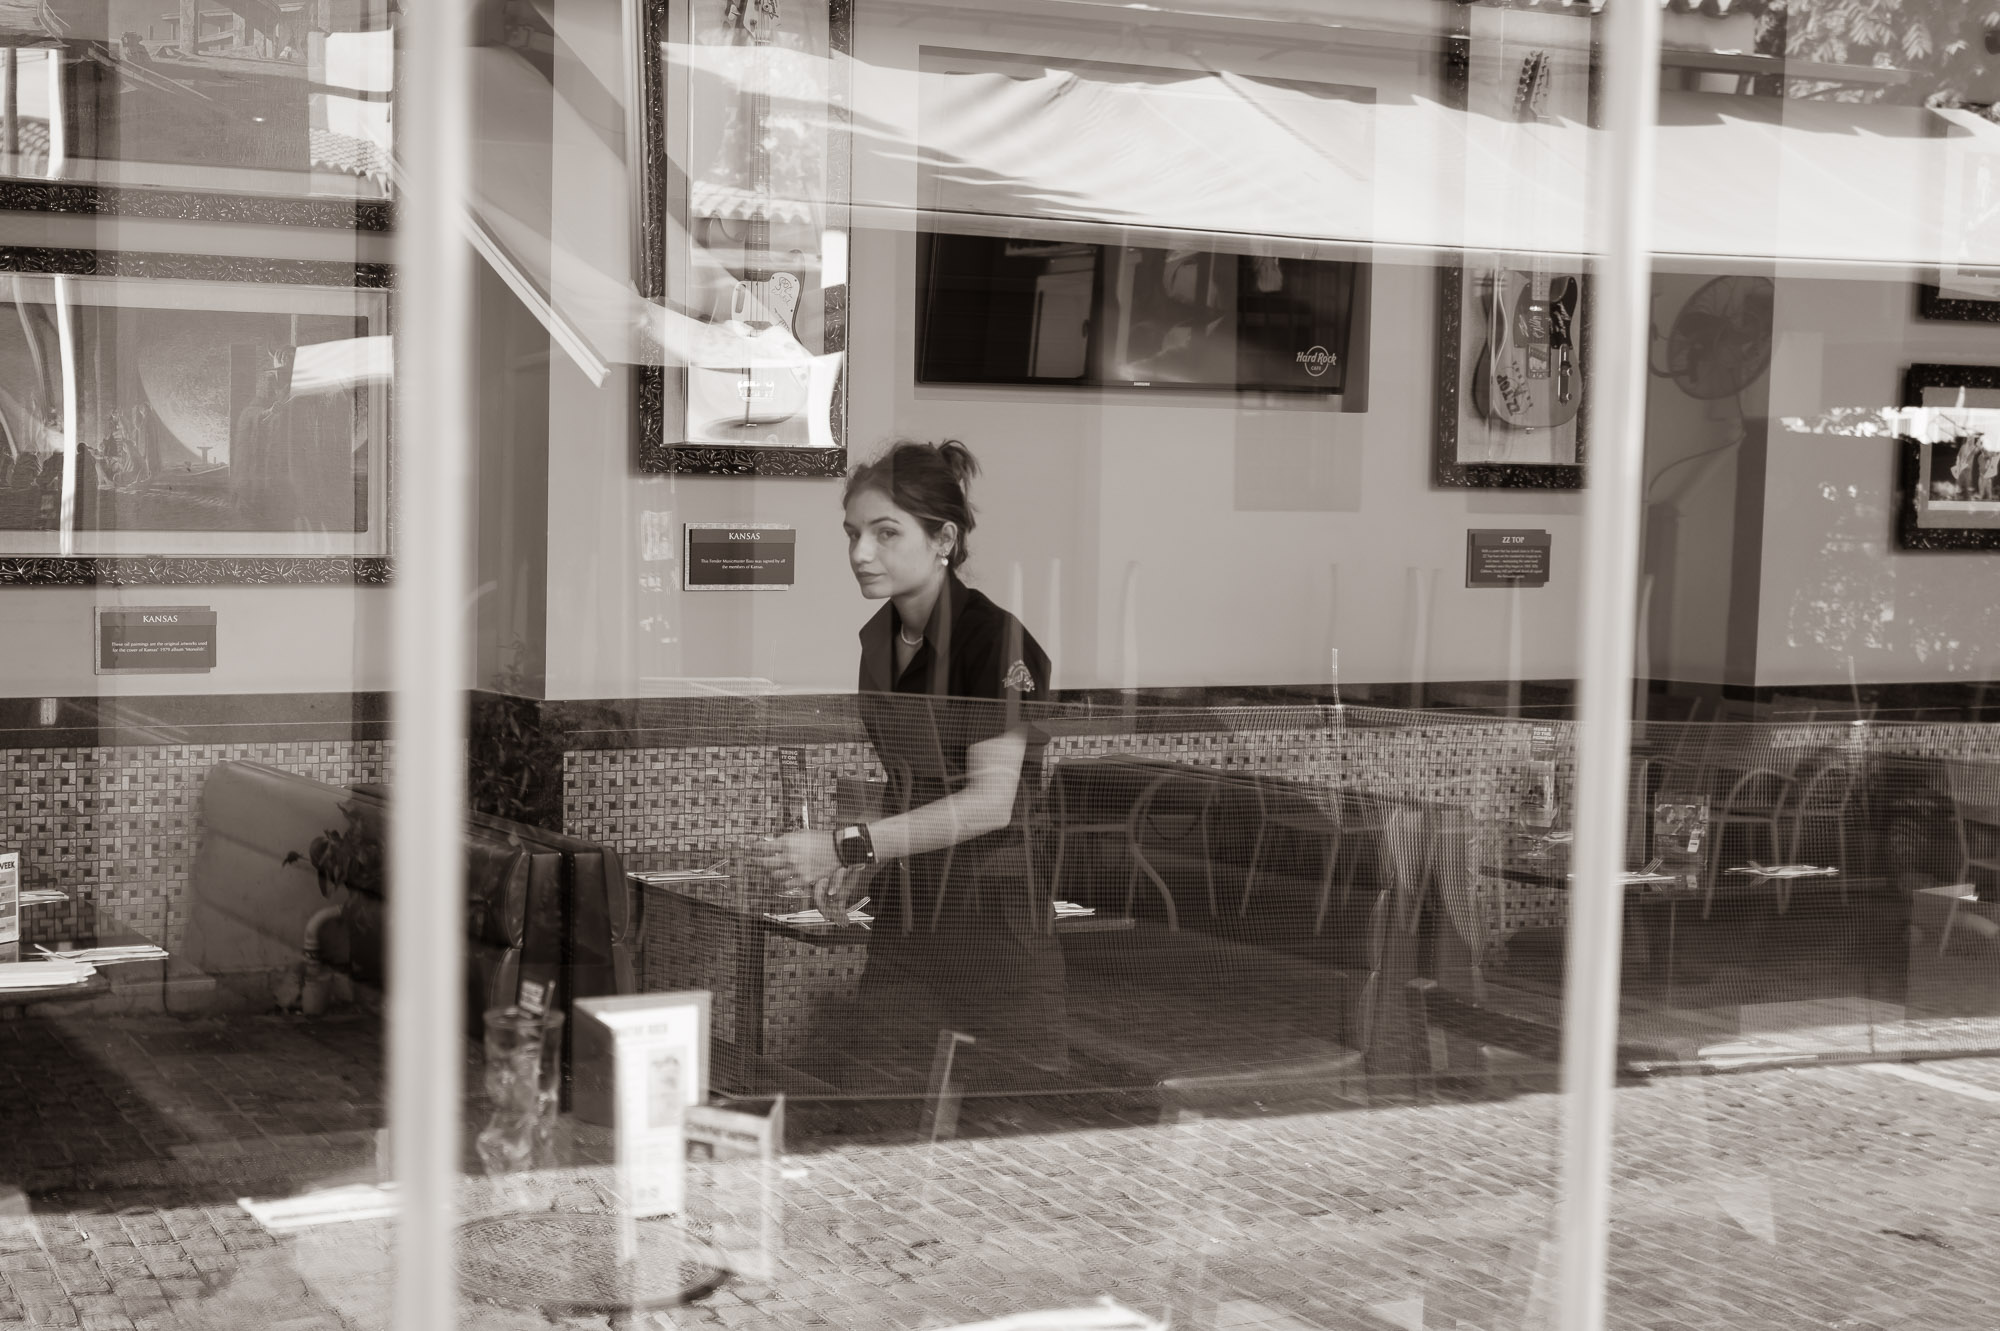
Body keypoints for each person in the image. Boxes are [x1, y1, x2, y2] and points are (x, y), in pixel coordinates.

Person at [747, 439, 1064, 1093]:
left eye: (886, 533)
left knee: (1003, 1127)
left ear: (944, 538)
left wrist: (845, 844)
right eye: (853, 533)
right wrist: (865, 863)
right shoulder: (879, 642)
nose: (861, 553)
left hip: (992, 933)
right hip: (908, 924)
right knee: (877, 1102)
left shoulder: (996, 642)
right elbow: (912, 781)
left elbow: (990, 802)